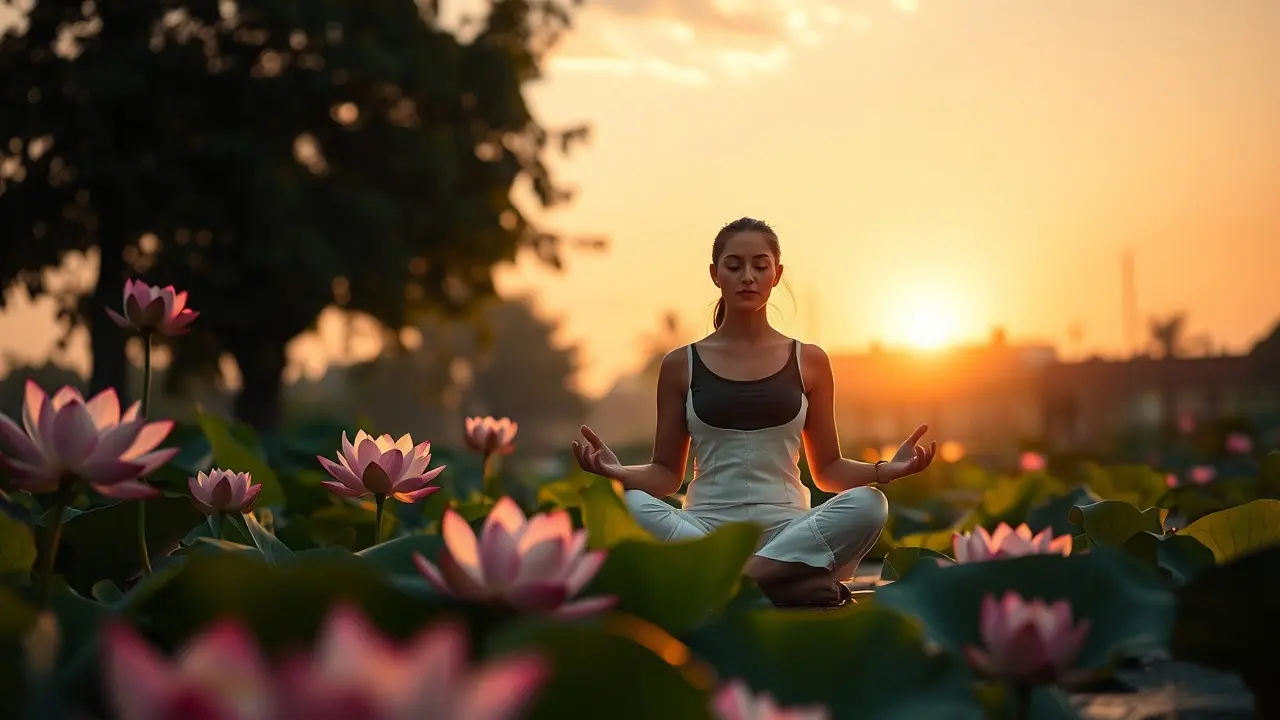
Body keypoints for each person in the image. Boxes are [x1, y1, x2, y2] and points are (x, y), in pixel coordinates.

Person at [571, 217, 937, 609]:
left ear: (776, 275)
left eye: (760, 266)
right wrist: (618, 474)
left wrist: (886, 471)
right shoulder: (681, 363)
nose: (748, 276)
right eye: (734, 266)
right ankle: (784, 586)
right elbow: (665, 475)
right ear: (715, 275)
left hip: (789, 532)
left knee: (870, 504)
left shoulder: (809, 360)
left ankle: (731, 582)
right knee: (631, 505)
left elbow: (828, 471)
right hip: (705, 530)